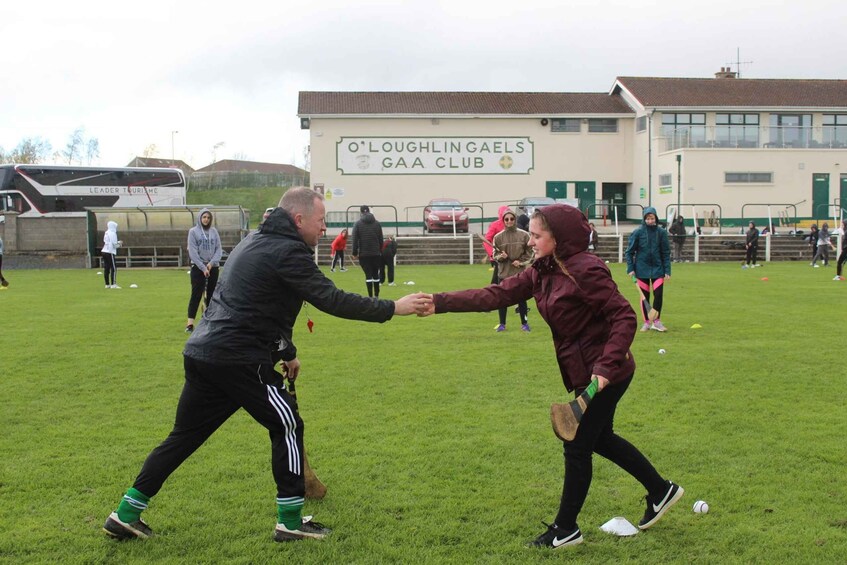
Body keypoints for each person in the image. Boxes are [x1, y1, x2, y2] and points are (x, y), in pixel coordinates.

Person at [103, 187, 430, 543]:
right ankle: (290, 521)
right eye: (321, 221)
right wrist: (392, 308)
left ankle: (126, 514)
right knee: (287, 423)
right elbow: (331, 299)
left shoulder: (254, 240)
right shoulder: (288, 251)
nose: (324, 229)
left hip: (204, 354)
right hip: (238, 358)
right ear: (299, 218)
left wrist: (286, 351)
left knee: (183, 437)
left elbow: (254, 303)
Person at [419, 204, 684, 549]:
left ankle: (565, 529)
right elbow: (497, 294)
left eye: (538, 235)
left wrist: (604, 369)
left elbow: (624, 317)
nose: (531, 241)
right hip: (582, 372)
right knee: (600, 439)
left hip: (608, 372)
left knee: (577, 446)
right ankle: (661, 491)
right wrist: (438, 302)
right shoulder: (543, 269)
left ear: (559, 238)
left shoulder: (586, 269)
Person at [625, 207, 671, 332]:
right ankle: (646, 322)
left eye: (652, 218)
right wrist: (630, 268)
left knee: (658, 294)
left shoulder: (661, 233)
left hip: (658, 269)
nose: (650, 221)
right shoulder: (638, 232)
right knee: (645, 297)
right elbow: (629, 252)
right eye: (648, 218)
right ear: (644, 219)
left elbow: (666, 252)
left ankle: (656, 321)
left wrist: (667, 270)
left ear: (656, 218)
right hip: (641, 269)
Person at [492, 210, 532, 332]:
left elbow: (530, 253)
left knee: (521, 299)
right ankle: (502, 324)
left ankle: (525, 323)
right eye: (506, 219)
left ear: (515, 220)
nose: (509, 221)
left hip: (519, 274)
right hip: (504, 274)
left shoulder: (524, 235)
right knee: (502, 300)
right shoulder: (498, 237)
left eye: (512, 219)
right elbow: (495, 256)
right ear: (503, 221)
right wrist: (501, 257)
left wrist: (520, 262)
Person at [185, 208, 223, 333]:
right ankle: (190, 324)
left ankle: (210, 321)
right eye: (204, 217)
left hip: (213, 267)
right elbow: (193, 251)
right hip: (198, 268)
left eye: (208, 217)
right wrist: (202, 267)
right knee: (196, 294)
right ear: (200, 218)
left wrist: (211, 264)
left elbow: (219, 249)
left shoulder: (214, 232)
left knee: (211, 295)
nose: (206, 219)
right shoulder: (193, 232)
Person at [351, 205, 384, 297]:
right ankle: (377, 296)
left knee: (368, 275)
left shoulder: (357, 224)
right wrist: (380, 250)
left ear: (361, 212)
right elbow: (381, 239)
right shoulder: (377, 224)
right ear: (369, 211)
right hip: (376, 253)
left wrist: (354, 252)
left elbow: (355, 239)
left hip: (364, 254)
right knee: (375, 275)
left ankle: (370, 297)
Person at [483, 206, 511, 285]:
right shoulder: (495, 225)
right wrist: (492, 254)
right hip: (497, 256)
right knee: (498, 279)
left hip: (509, 256)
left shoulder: (512, 225)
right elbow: (486, 241)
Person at [102, 221, 123, 289]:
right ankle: (113, 284)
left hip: (104, 251)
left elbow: (108, 242)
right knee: (113, 268)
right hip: (110, 252)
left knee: (106, 268)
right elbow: (114, 244)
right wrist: (119, 244)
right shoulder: (112, 233)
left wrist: (117, 243)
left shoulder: (106, 232)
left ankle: (107, 284)